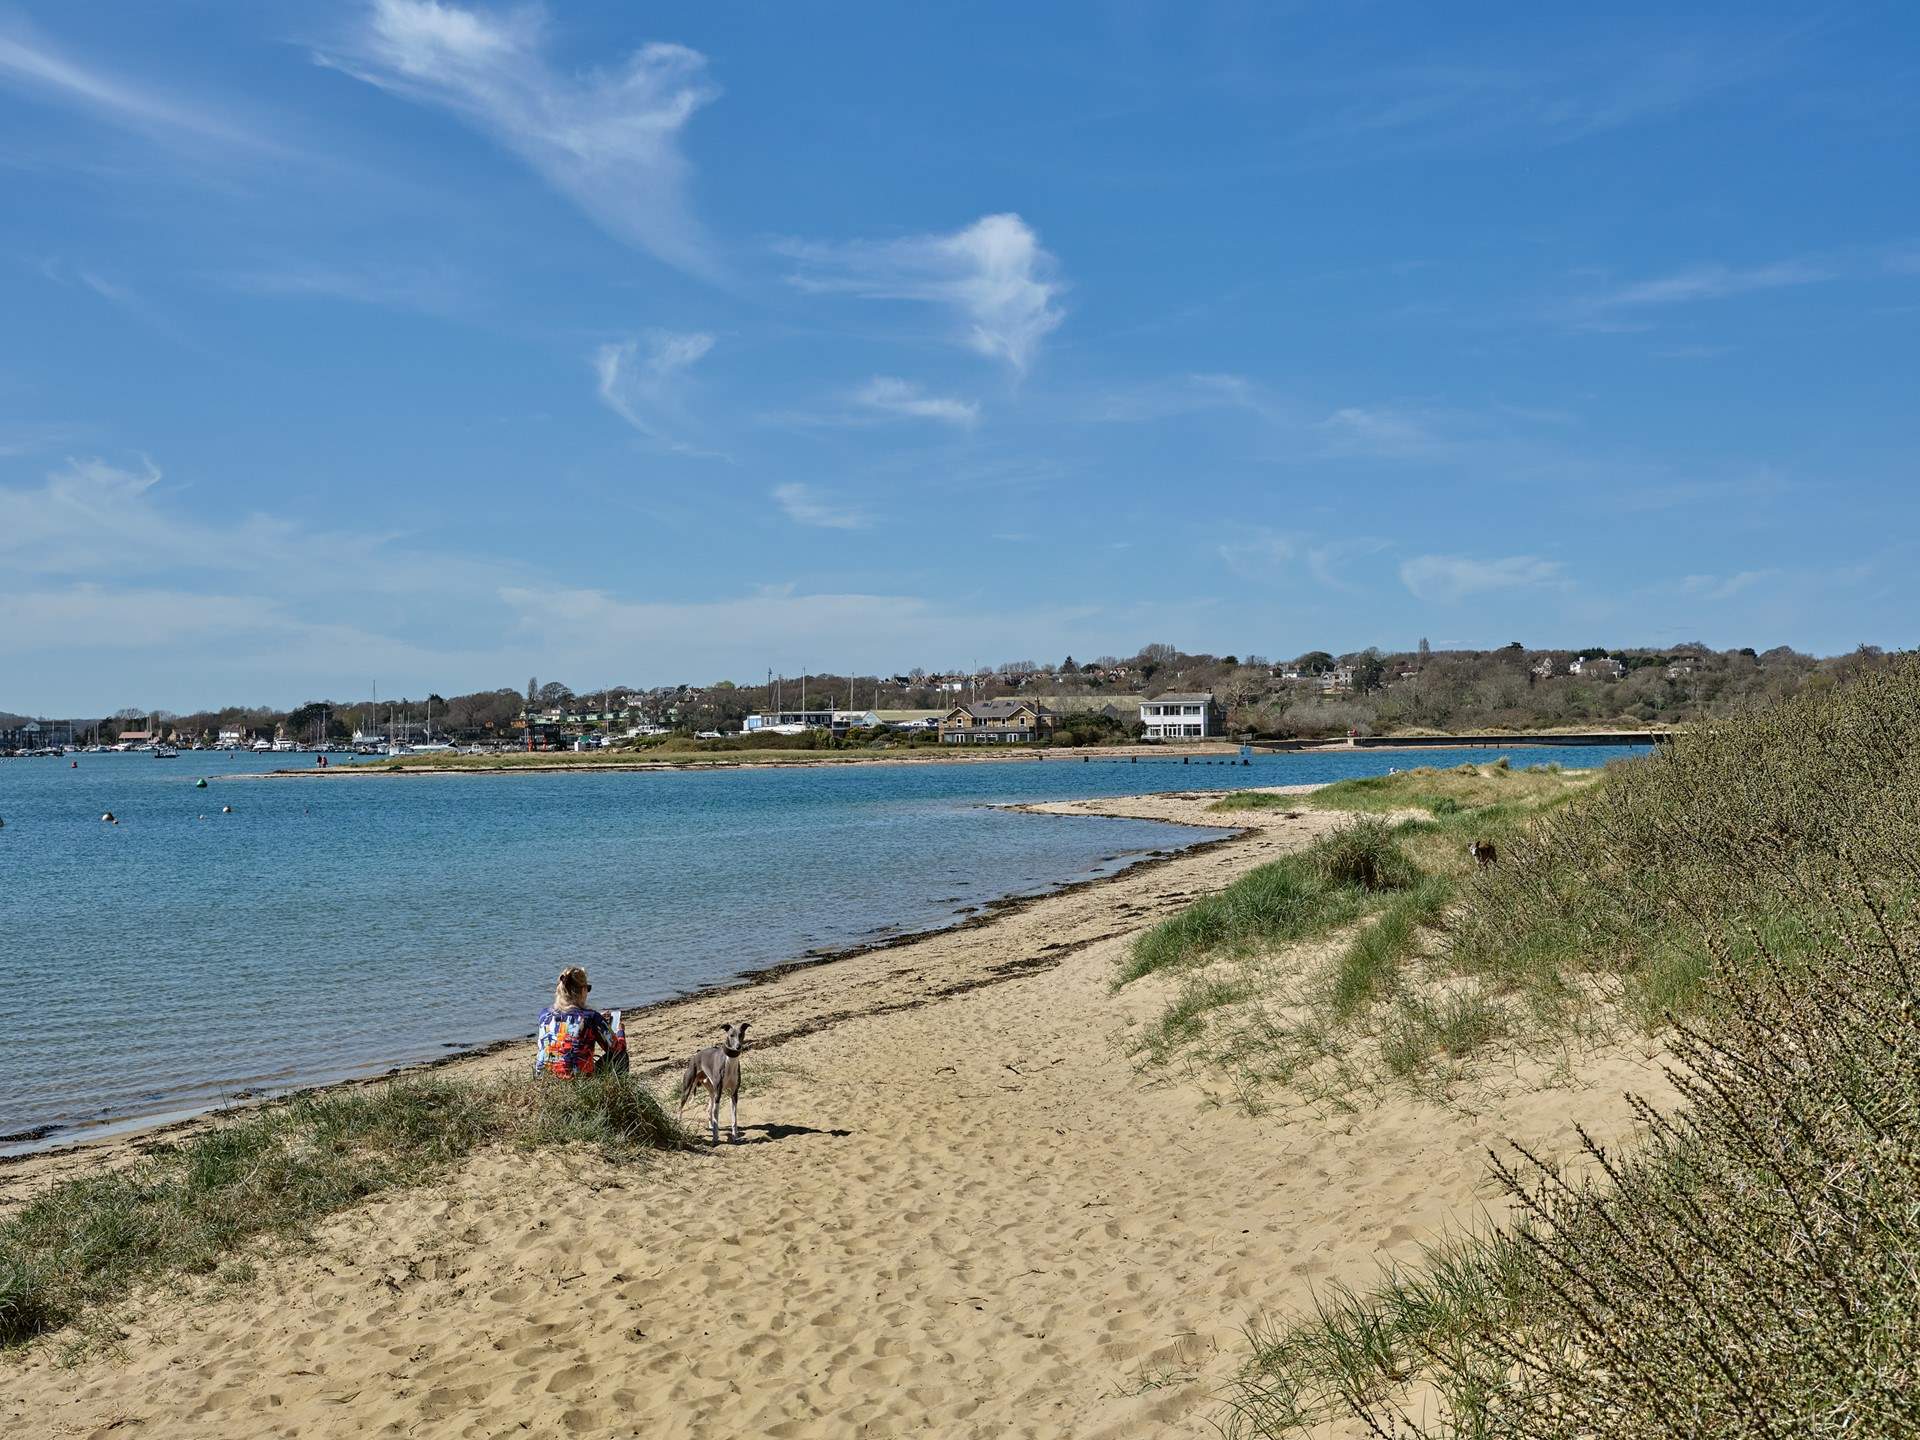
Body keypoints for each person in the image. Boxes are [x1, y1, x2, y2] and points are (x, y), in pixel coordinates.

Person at [533, 966, 625, 1077]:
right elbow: (616, 1048)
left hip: (544, 1082)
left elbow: (567, 1021)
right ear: (583, 990)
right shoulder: (591, 1017)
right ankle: (617, 1092)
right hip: (578, 1082)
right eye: (588, 988)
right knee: (621, 1055)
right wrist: (620, 1032)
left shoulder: (544, 1014)